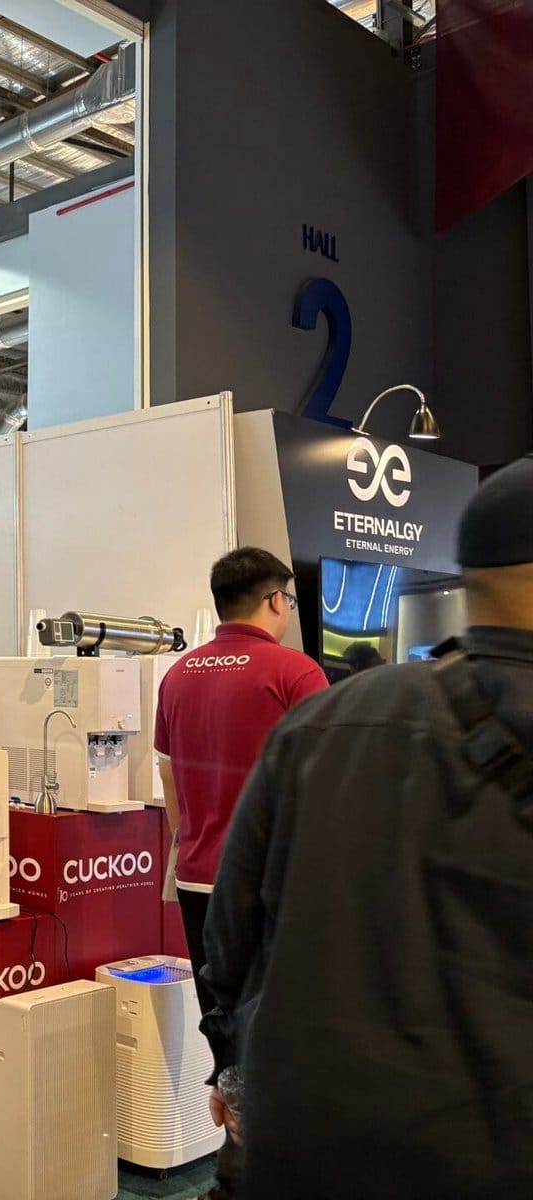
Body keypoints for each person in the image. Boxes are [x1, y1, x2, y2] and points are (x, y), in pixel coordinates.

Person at [201, 459, 533, 1200]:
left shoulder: (317, 718)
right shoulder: (296, 676)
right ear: (275, 600)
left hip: (312, 1133)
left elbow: (232, 933)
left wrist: (234, 1068)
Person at [153, 546, 327, 1198]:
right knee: (287, 1035)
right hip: (273, 881)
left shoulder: (178, 675)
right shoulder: (295, 671)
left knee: (226, 1034)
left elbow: (170, 779)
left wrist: (192, 843)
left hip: (199, 878)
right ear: (277, 599)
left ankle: (236, 1172)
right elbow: (323, 782)